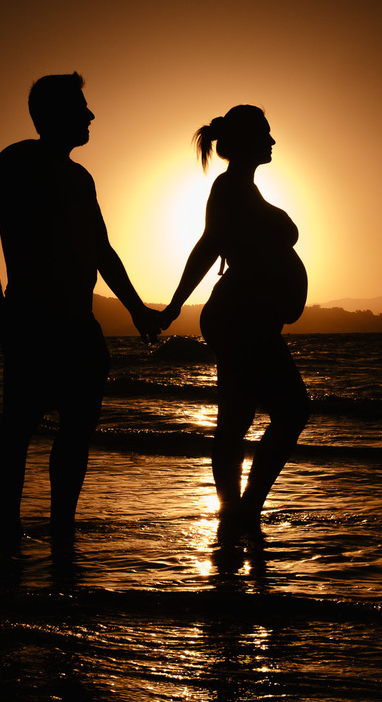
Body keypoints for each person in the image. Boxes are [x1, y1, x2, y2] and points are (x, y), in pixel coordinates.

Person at [0, 72, 161, 549]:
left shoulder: (81, 177)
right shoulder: (18, 159)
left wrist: (138, 310)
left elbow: (102, 250)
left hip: (80, 324)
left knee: (76, 431)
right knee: (19, 424)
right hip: (33, 318)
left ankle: (61, 531)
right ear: (54, 114)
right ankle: (8, 533)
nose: (90, 114)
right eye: (81, 106)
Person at [159, 105, 310, 537]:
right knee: (292, 410)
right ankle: (242, 511)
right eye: (266, 133)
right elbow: (208, 247)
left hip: (248, 316)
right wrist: (174, 306)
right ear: (247, 141)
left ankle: (240, 513)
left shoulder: (244, 188)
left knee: (239, 415)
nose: (273, 141)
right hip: (240, 316)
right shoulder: (228, 188)